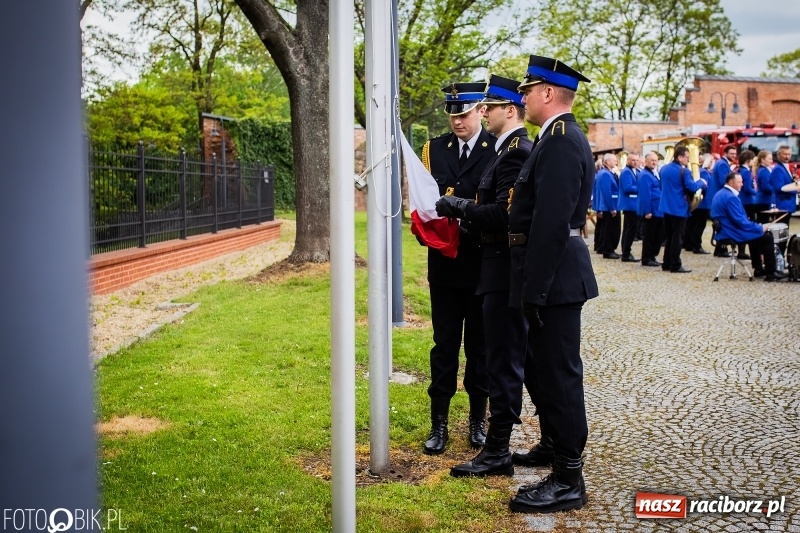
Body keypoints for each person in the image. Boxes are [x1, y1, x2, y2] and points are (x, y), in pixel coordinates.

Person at [506, 54, 598, 514]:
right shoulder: (554, 138)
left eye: (527, 89)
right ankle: (558, 458)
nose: (522, 97)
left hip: (555, 274)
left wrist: (534, 288)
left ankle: (568, 479)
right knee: (547, 371)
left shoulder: (560, 140)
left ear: (546, 93)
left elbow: (550, 221)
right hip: (552, 272)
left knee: (560, 377)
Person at [435, 75, 537, 477]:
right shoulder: (503, 148)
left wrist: (457, 206)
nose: (482, 113)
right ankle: (493, 444)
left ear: (505, 110)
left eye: (488, 107)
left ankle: (496, 447)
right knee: (487, 355)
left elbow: (503, 212)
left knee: (500, 359)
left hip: (497, 266)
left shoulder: (513, 150)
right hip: (475, 266)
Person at [419, 82, 495, 456]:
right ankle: (439, 423)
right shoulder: (434, 149)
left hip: (482, 264)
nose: (457, 122)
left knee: (479, 348)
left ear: (481, 110)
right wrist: (425, 230)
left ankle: (478, 423)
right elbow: (422, 200)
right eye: (452, 115)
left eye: (463, 114)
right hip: (446, 265)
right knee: (444, 345)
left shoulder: (496, 146)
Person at [711, 171, 786, 281]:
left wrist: (756, 227)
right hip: (731, 231)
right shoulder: (731, 197)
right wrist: (760, 227)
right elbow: (740, 221)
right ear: (731, 183)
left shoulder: (720, 193)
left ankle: (759, 269)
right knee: (767, 238)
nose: (742, 184)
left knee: (755, 235)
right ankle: (771, 272)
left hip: (725, 229)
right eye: (740, 182)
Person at [658, 146, 707, 273]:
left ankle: (666, 263)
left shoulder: (663, 168)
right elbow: (691, 187)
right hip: (679, 208)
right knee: (677, 238)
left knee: (669, 236)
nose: (688, 160)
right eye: (687, 157)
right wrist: (701, 182)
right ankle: (675, 264)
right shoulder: (684, 171)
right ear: (680, 157)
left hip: (665, 206)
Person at [637, 151, 664, 267]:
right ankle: (647, 258)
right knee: (650, 236)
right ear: (646, 161)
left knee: (657, 235)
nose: (654, 162)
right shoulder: (645, 175)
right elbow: (645, 194)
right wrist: (647, 211)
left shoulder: (654, 173)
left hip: (658, 210)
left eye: (656, 160)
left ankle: (652, 256)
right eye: (652, 160)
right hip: (651, 210)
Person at [683, 153, 714, 255]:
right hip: (703, 202)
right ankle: (697, 245)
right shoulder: (704, 172)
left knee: (692, 224)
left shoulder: (700, 171)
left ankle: (688, 244)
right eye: (711, 161)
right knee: (699, 225)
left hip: (698, 203)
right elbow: (704, 186)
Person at [712, 145, 738, 257]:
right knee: (722, 222)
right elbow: (724, 181)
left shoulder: (721, 162)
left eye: (734, 153)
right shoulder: (723, 164)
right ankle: (720, 249)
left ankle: (720, 249)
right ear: (725, 153)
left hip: (718, 195)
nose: (733, 155)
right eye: (731, 153)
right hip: (721, 195)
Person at [595, 153, 621, 258]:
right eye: (614, 160)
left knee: (610, 229)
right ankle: (608, 250)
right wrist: (612, 208)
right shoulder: (605, 174)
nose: (616, 162)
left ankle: (609, 249)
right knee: (611, 230)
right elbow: (607, 192)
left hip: (611, 205)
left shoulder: (608, 173)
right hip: (610, 206)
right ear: (608, 162)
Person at [618, 153, 640, 262]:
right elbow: (627, 188)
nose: (635, 162)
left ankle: (626, 252)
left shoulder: (634, 171)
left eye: (637, 160)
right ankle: (626, 253)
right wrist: (641, 187)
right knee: (630, 229)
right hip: (630, 204)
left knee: (628, 229)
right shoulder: (626, 171)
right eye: (633, 160)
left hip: (633, 204)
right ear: (628, 161)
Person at [771, 145, 798, 232]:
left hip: (788, 204)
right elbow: (779, 187)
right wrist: (795, 190)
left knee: (785, 229)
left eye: (789, 154)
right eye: (785, 154)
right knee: (782, 230)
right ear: (779, 155)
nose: (787, 157)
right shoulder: (778, 169)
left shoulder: (786, 167)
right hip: (782, 205)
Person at [752, 149, 775, 216]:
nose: (772, 161)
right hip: (763, 202)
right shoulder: (764, 171)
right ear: (762, 159)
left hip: (763, 201)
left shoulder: (763, 170)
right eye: (769, 159)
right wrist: (777, 189)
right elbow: (766, 187)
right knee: (763, 222)